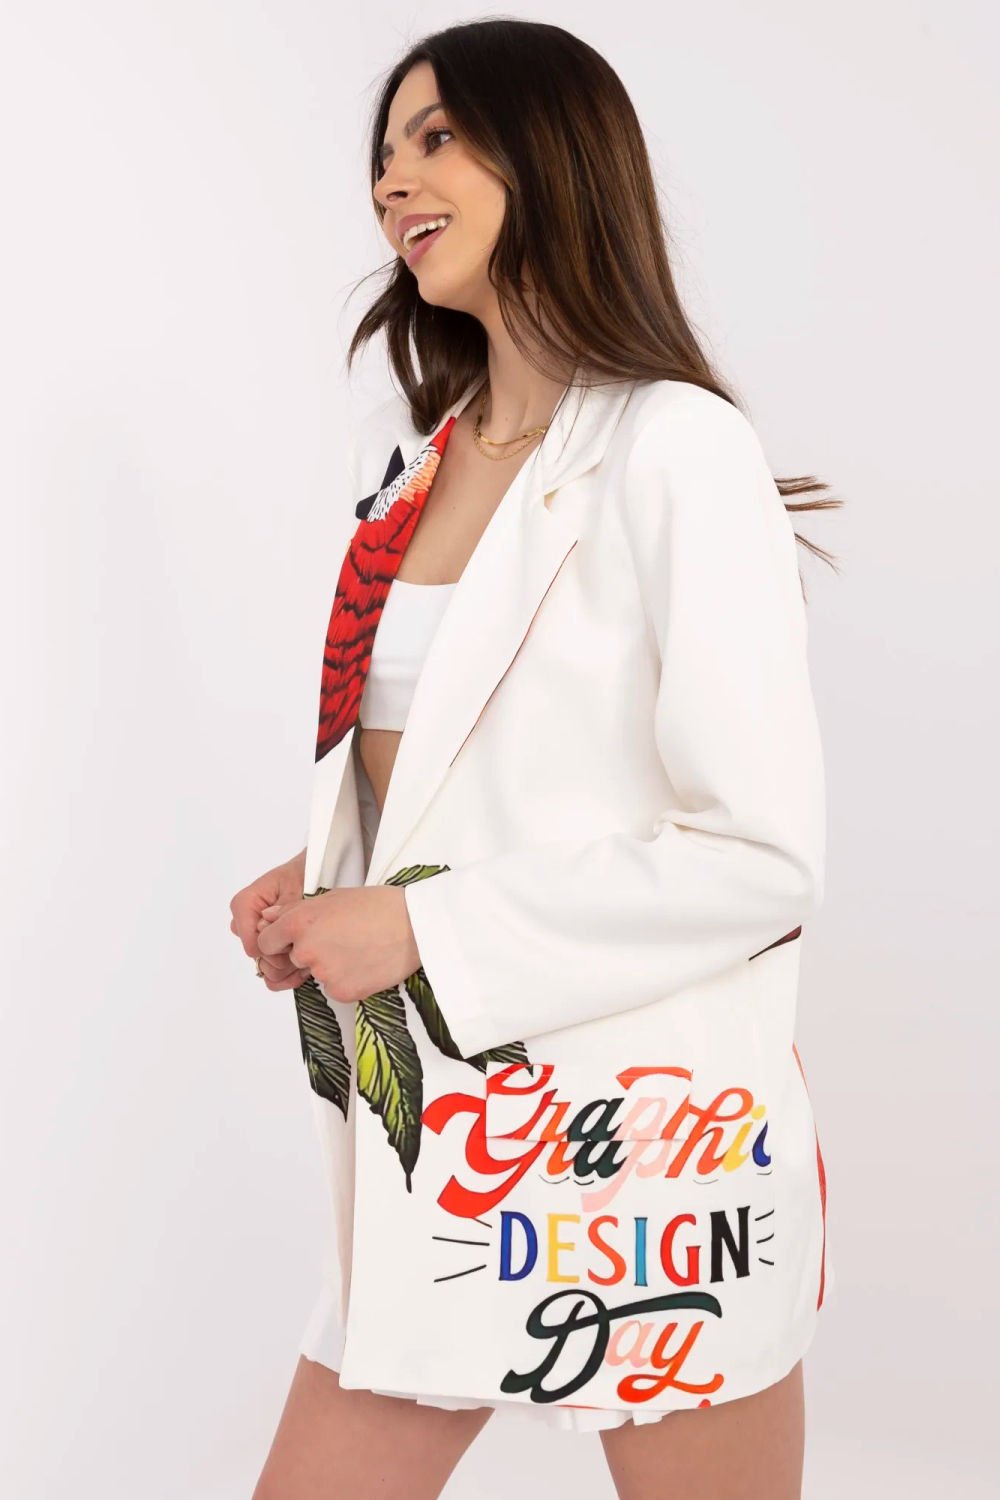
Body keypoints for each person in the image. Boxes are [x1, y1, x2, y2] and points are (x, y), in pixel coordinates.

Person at [230, 18, 842, 1500]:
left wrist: (418, 929)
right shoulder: (415, 465)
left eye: (436, 137)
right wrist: (331, 868)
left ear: (555, 157)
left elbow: (762, 856)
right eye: (385, 152)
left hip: (648, 1143)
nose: (393, 181)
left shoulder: (674, 447)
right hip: (444, 1136)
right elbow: (471, 762)